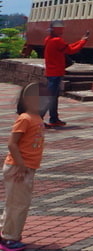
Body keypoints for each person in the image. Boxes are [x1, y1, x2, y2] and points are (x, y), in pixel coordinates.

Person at [1, 83, 44, 251]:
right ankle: (9, 239)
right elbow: (12, 144)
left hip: (26, 168)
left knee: (16, 203)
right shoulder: (25, 118)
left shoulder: (36, 117)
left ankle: (7, 233)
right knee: (18, 205)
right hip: (19, 168)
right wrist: (20, 166)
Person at [40, 21, 88, 128]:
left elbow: (67, 47)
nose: (63, 30)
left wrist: (80, 41)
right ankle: (39, 119)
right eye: (61, 29)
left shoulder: (49, 40)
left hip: (50, 72)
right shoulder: (57, 40)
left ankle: (54, 118)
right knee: (50, 97)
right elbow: (71, 50)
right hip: (56, 72)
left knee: (53, 96)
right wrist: (83, 42)